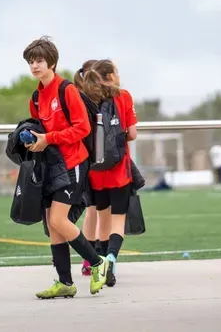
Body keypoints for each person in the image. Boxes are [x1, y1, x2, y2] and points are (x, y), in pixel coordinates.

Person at [24, 37, 109, 299]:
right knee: (52, 225)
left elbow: (82, 128)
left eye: (38, 61)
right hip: (52, 165)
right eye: (30, 62)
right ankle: (65, 282)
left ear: (52, 63)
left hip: (73, 163)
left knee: (59, 220)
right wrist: (31, 140)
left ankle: (98, 262)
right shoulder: (37, 97)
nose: (34, 66)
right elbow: (41, 131)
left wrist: (48, 139)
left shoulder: (67, 90)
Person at [81, 59, 138, 287]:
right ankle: (112, 258)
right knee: (118, 220)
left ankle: (100, 262)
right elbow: (132, 133)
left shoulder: (87, 98)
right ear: (111, 76)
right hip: (119, 169)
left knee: (101, 218)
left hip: (96, 171)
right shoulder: (123, 96)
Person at [74, 59, 103, 277]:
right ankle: (99, 259)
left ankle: (88, 260)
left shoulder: (77, 95)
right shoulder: (98, 99)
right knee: (101, 212)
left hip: (84, 161)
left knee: (91, 211)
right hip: (96, 160)